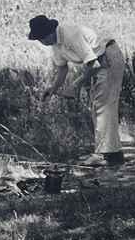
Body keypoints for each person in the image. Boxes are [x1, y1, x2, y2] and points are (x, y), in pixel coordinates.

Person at [27, 14, 124, 167]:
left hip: (108, 56)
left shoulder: (71, 35)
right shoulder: (56, 44)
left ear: (49, 33)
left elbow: (93, 63)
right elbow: (62, 69)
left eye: (41, 38)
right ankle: (112, 154)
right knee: (98, 106)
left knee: (104, 105)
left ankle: (106, 155)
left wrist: (75, 86)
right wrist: (53, 89)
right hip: (98, 61)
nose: (41, 42)